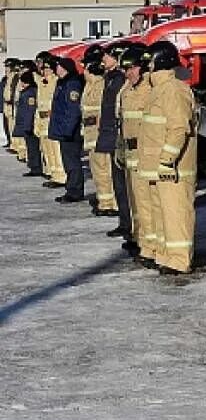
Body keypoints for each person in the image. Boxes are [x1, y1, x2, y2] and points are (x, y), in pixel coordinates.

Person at [139, 41, 198, 275]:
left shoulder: (174, 89)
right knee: (162, 216)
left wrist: (167, 159)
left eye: (150, 63)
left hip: (173, 170)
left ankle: (178, 259)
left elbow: (177, 128)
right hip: (157, 169)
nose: (147, 69)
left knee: (175, 215)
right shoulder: (158, 89)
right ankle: (165, 255)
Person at [118, 44, 155, 264]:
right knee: (137, 205)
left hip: (145, 153)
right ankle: (140, 240)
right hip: (131, 154)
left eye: (132, 68)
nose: (128, 73)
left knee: (148, 205)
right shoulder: (127, 91)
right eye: (125, 69)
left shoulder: (149, 90)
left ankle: (150, 248)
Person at [80, 44, 116, 215]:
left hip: (99, 132)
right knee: (98, 170)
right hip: (90, 133)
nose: (84, 69)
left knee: (105, 168)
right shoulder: (90, 84)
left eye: (86, 66)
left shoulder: (102, 84)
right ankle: (104, 200)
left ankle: (110, 203)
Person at [94, 43, 126, 223]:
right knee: (117, 180)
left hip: (116, 132)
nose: (103, 59)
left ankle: (126, 222)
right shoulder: (110, 78)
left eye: (107, 56)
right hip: (108, 130)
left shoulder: (120, 78)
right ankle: (124, 221)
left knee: (121, 182)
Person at [50, 57, 86, 203]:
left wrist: (67, 130)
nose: (56, 69)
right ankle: (71, 188)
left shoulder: (72, 84)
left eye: (58, 67)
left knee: (72, 162)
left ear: (64, 68)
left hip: (70, 131)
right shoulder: (62, 83)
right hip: (63, 129)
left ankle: (75, 191)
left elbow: (73, 110)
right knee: (68, 161)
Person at [34, 52, 66, 187]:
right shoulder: (42, 83)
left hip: (52, 119)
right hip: (42, 120)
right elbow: (38, 103)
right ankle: (52, 173)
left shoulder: (55, 81)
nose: (45, 71)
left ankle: (61, 176)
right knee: (47, 149)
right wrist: (36, 122)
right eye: (44, 69)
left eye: (48, 69)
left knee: (55, 149)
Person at [14, 68, 40, 176]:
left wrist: (28, 126)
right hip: (27, 124)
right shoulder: (27, 92)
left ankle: (36, 167)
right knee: (31, 146)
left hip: (29, 125)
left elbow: (30, 111)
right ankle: (34, 166)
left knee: (33, 147)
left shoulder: (30, 93)